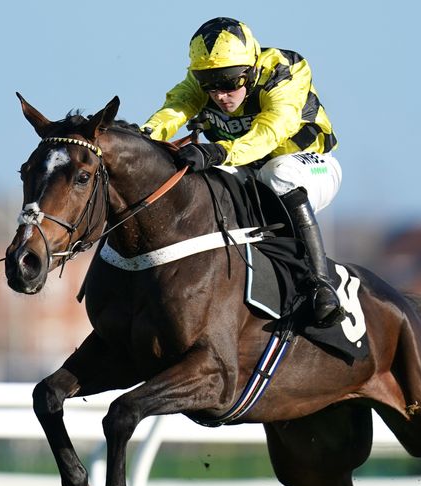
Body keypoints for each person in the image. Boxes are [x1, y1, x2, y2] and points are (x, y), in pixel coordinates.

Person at [143, 17, 345, 328]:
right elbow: (176, 108)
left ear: (250, 70)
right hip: (247, 170)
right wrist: (143, 136)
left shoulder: (284, 71)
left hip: (309, 165)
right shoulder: (204, 86)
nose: (219, 94)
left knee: (279, 173)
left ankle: (321, 286)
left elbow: (270, 133)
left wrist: (219, 151)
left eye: (228, 82)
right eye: (208, 84)